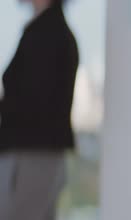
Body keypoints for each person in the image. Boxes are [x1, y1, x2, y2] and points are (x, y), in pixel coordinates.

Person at [0, 0, 78, 219]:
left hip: (31, 159)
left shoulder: (48, 35)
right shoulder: (47, 32)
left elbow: (32, 102)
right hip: (38, 159)